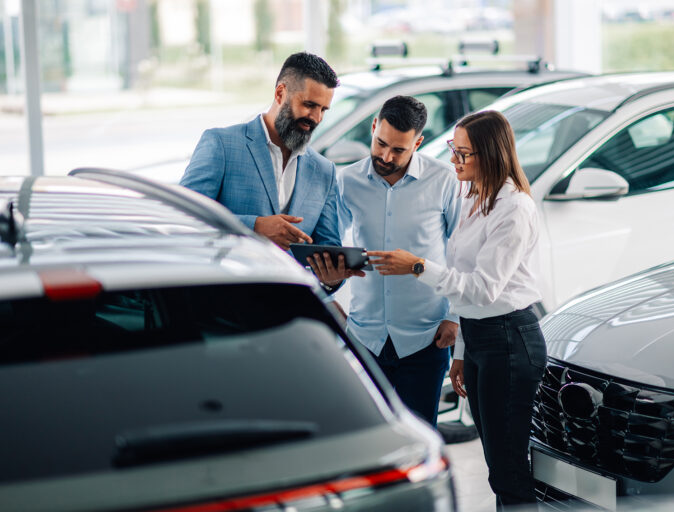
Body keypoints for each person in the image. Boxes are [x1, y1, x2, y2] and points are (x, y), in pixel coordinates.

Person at [367, 110, 547, 509]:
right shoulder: (473, 197)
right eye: (454, 149)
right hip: (482, 339)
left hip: (510, 341)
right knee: (497, 464)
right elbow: (466, 286)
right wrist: (463, 353)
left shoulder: (514, 209)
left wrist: (416, 266)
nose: (454, 161)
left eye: (463, 153)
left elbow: (483, 290)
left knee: (508, 469)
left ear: (491, 154)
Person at [310, 95, 461, 427]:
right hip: (365, 337)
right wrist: (330, 283)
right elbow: (332, 242)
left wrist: (455, 318)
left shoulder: (444, 181)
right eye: (381, 144)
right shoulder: (346, 181)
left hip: (426, 338)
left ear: (418, 143)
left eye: (399, 150)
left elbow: (462, 251)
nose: (385, 156)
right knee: (367, 436)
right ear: (374, 126)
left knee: (421, 435)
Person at [180, 52, 347, 287]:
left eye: (323, 109)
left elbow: (329, 247)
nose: (316, 118)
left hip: (292, 309)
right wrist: (255, 226)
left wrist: (332, 279)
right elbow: (183, 219)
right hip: (225, 306)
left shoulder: (324, 171)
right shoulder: (221, 143)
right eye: (309, 105)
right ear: (280, 93)